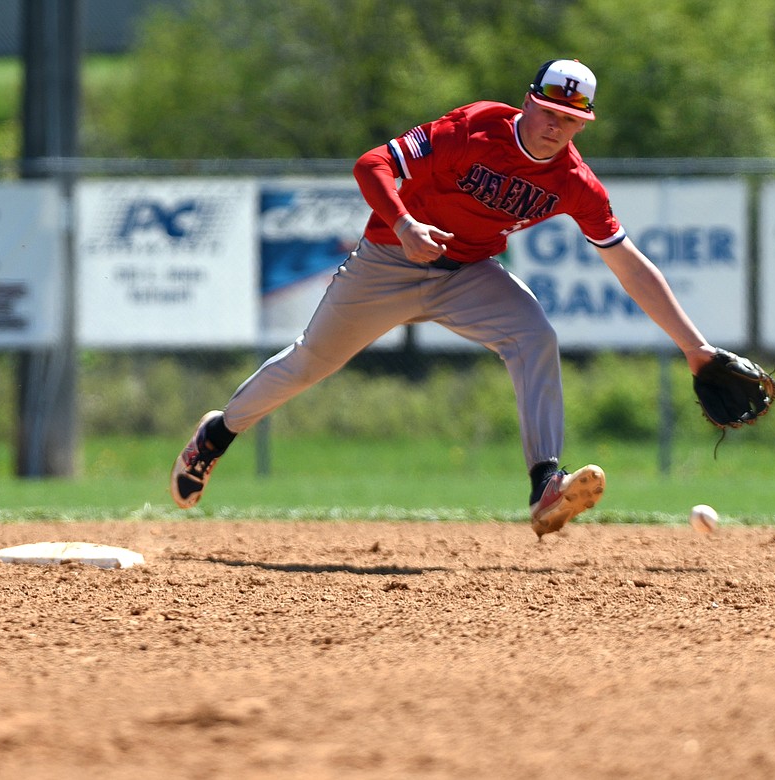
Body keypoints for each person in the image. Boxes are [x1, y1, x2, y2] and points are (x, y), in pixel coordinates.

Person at [171, 59, 723, 538]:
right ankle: (216, 435)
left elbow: (628, 264)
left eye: (572, 119)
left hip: (469, 273)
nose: (557, 126)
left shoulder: (575, 181)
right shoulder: (476, 127)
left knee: (535, 336)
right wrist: (405, 222)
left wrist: (696, 350)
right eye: (549, 111)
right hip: (389, 260)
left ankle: (545, 485)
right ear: (527, 103)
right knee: (309, 363)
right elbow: (372, 165)